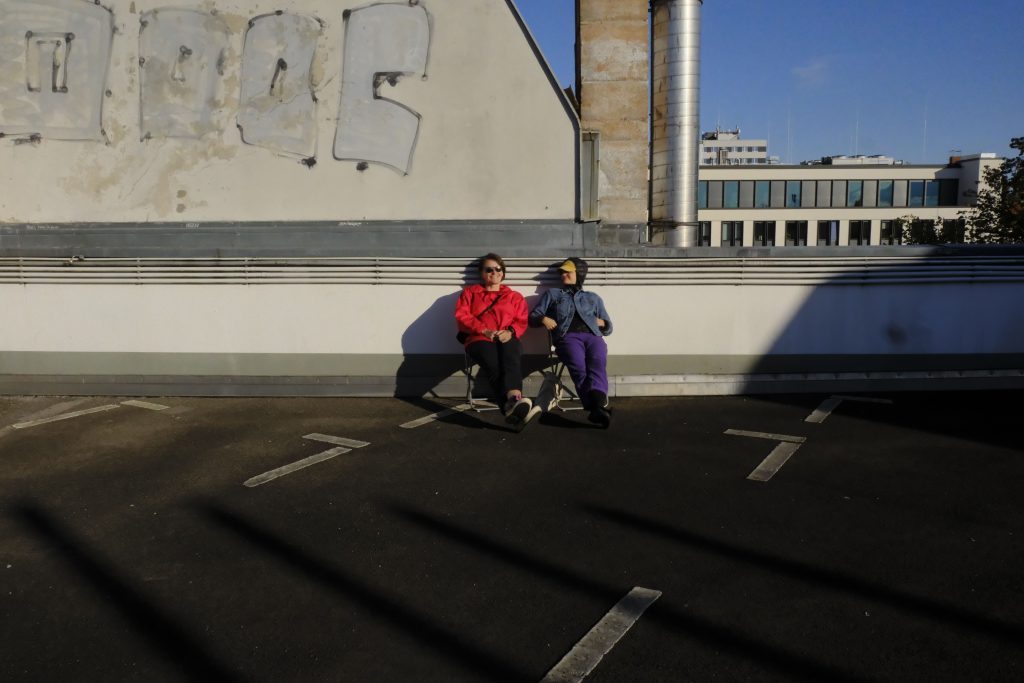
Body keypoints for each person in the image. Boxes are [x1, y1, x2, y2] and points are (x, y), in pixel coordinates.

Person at [455, 253, 538, 428]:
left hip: (507, 335)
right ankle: (512, 405)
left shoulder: (514, 296)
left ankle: (513, 402)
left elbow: (521, 320)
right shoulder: (470, 293)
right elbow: (463, 317)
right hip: (478, 338)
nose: (494, 272)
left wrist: (510, 331)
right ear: (482, 273)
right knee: (494, 365)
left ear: (503, 272)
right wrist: (484, 330)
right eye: (489, 269)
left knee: (511, 359)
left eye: (498, 269)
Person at [529, 257, 613, 427]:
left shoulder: (593, 297)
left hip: (593, 336)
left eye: (568, 271)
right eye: (561, 272)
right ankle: (596, 406)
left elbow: (609, 327)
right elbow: (533, 317)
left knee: (598, 362)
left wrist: (602, 323)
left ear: (579, 273)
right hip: (568, 337)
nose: (563, 275)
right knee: (578, 366)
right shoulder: (553, 294)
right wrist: (543, 318)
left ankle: (596, 407)